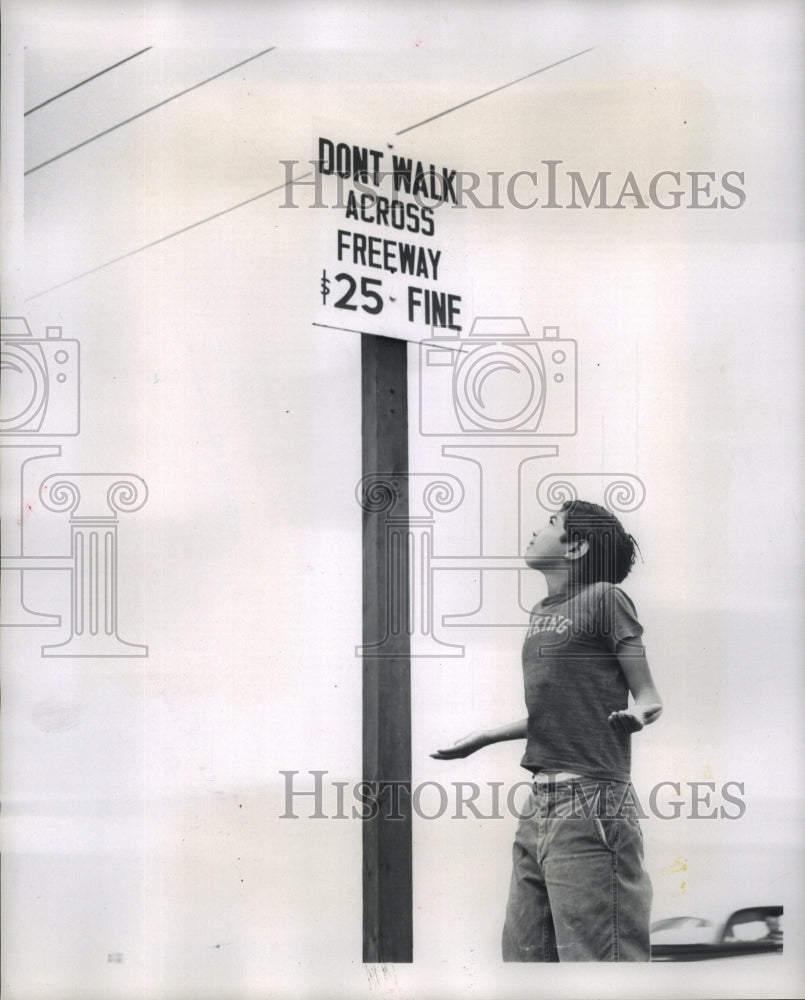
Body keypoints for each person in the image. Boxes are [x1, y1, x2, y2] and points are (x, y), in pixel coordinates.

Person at [432, 499, 663, 962]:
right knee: (524, 962)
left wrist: (638, 716)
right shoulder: (541, 612)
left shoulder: (605, 598)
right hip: (539, 805)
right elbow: (555, 714)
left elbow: (649, 696)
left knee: (600, 964)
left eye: (553, 523)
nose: (537, 530)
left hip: (592, 801)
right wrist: (484, 738)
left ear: (576, 546)